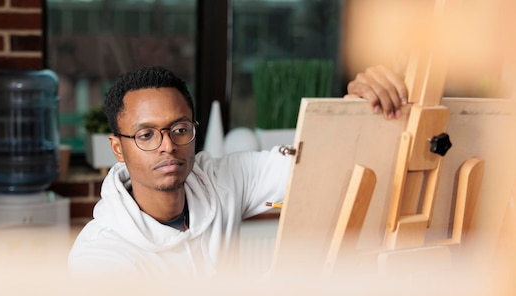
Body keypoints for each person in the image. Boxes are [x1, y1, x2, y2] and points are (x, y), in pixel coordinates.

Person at [68, 65, 404, 277]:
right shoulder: (100, 257)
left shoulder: (218, 180)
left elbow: (316, 165)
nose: (167, 146)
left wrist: (359, 106)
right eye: (146, 135)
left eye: (180, 129)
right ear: (117, 148)